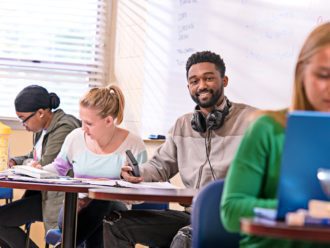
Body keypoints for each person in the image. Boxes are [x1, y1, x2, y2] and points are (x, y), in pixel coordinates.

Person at [104, 51, 256, 248]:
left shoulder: (252, 121)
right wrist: (138, 172)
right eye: (194, 81)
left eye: (208, 78)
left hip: (231, 220)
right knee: (114, 223)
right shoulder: (183, 125)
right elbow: (160, 165)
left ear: (224, 80)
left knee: (185, 238)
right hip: (191, 215)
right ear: (188, 87)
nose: (201, 85)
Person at [221, 22, 330, 248]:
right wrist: (303, 208)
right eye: (324, 75)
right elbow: (231, 211)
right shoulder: (267, 129)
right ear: (302, 71)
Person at [41, 85, 147, 247]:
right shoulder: (75, 138)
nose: (83, 128)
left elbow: (142, 194)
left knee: (103, 200)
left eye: (89, 123)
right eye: (82, 120)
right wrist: (35, 171)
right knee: (96, 214)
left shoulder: (133, 144)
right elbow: (58, 168)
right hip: (74, 211)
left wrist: (122, 188)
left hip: (115, 212)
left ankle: (67, 243)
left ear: (109, 121)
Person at [0, 85, 81, 248]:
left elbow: (45, 165)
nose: (23, 124)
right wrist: (15, 161)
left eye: (24, 119)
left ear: (41, 113)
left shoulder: (64, 127)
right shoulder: (42, 128)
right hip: (44, 195)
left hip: (62, 199)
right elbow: (34, 156)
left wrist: (30, 164)